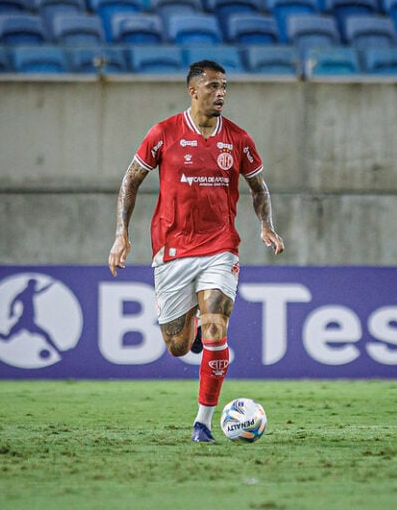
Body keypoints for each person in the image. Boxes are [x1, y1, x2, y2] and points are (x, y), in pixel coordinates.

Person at [108, 60, 284, 442]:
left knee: (217, 327)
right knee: (177, 346)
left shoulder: (238, 139)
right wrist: (122, 234)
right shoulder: (164, 133)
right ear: (193, 90)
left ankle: (202, 423)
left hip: (221, 247)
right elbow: (131, 180)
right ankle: (195, 327)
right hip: (172, 250)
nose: (221, 93)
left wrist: (266, 226)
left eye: (225, 87)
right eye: (213, 86)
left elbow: (259, 188)